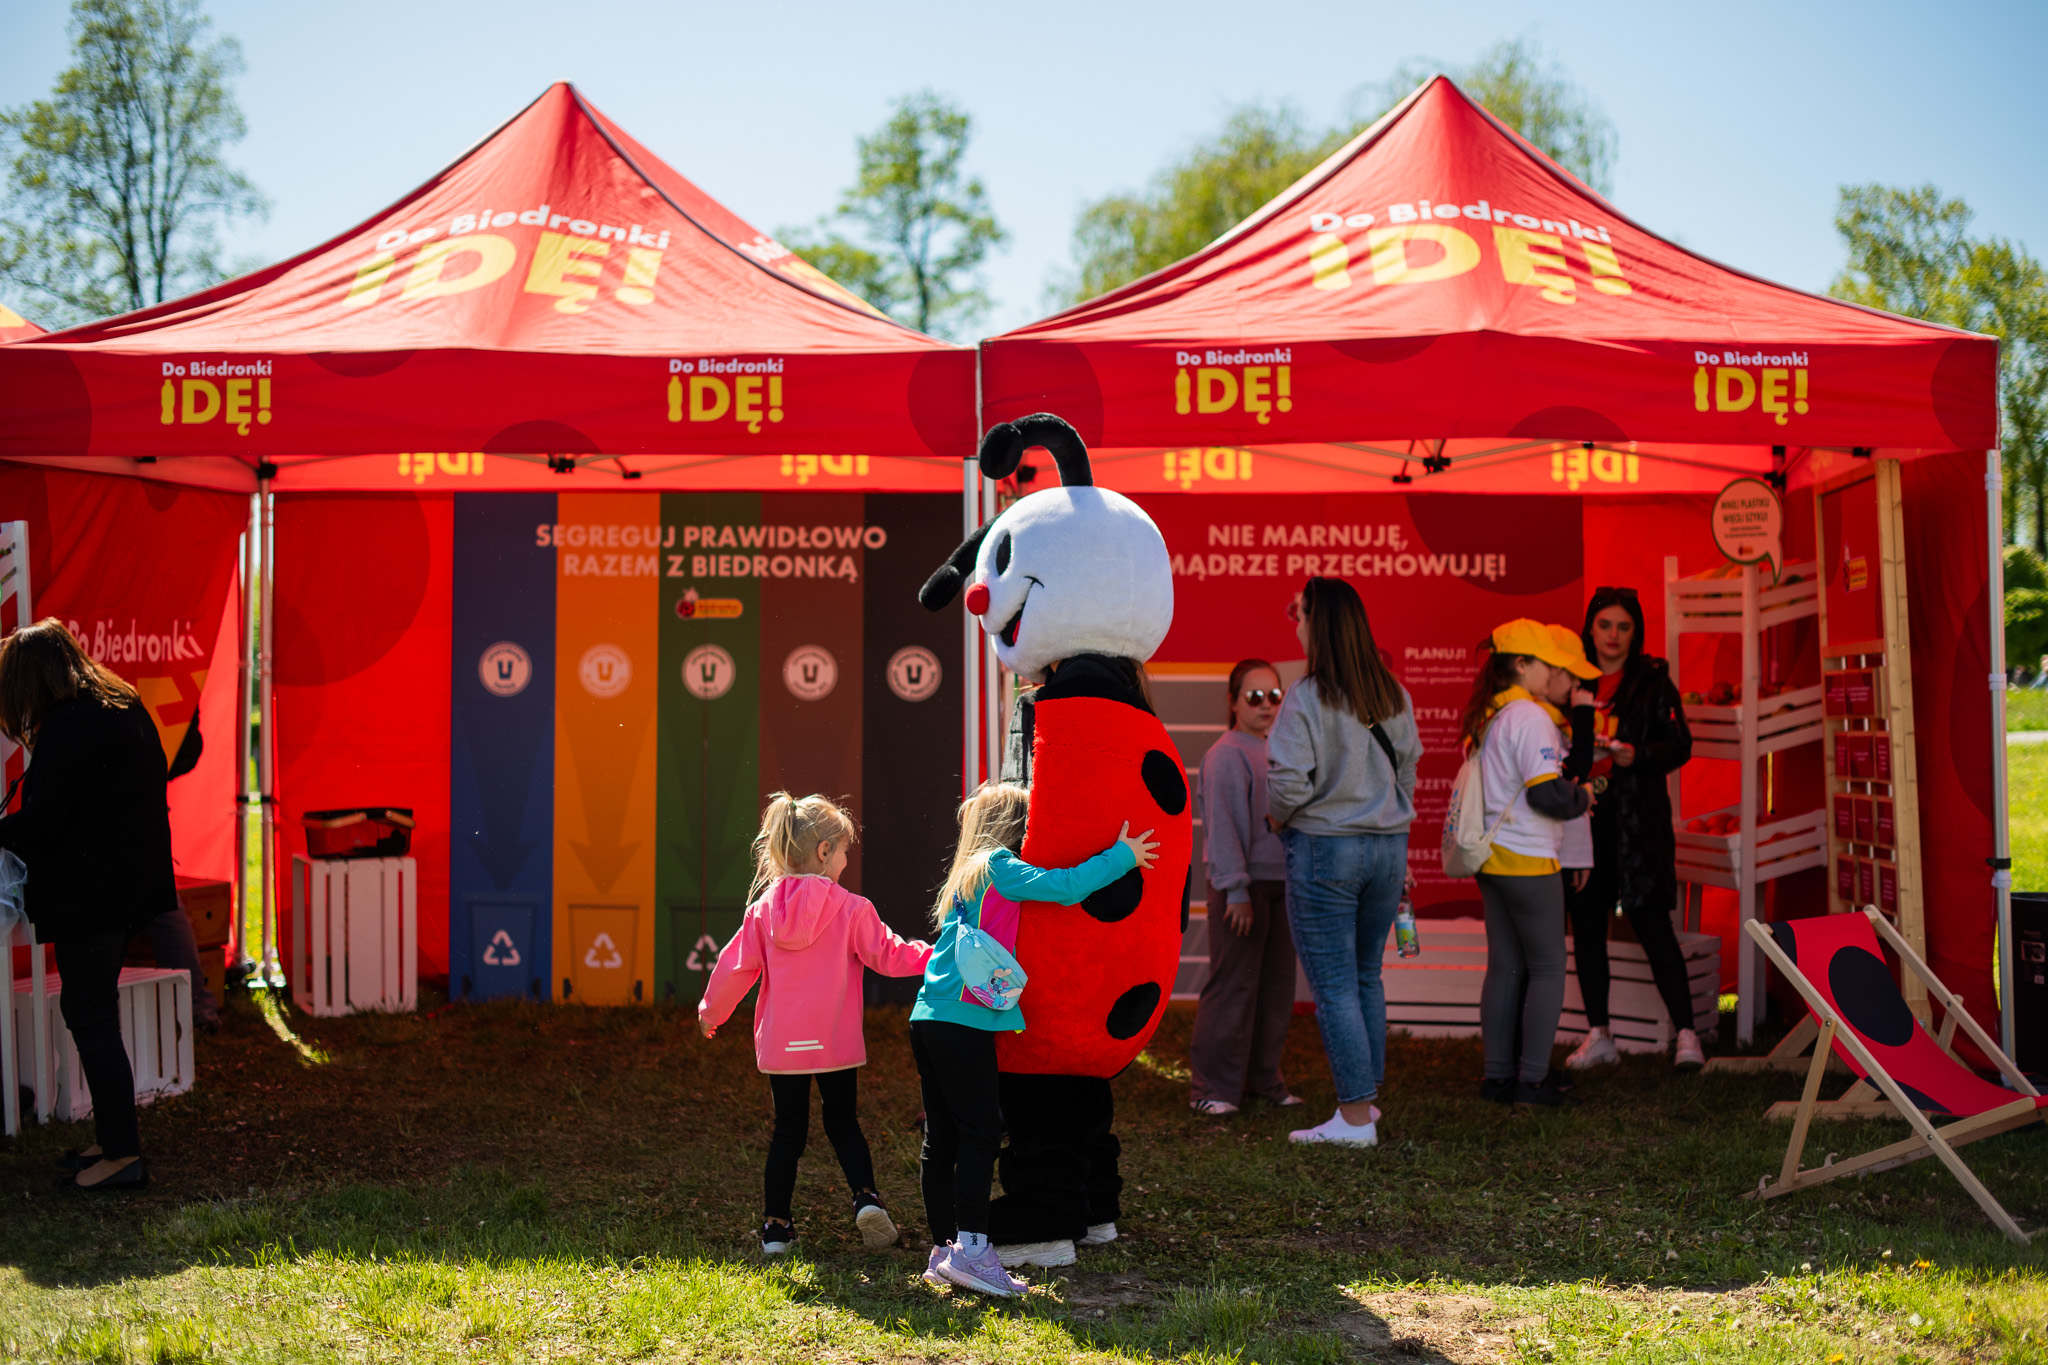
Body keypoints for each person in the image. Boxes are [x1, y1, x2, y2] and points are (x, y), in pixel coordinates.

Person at [911, 782, 1158, 1297]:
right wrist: (1123, 856)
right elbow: (1065, 886)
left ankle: (944, 1250)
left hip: (928, 1016)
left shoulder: (964, 876)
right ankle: (972, 1252)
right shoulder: (999, 866)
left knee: (942, 1140)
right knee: (979, 1135)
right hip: (964, 1020)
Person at [698, 792, 932, 1256]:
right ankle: (866, 1199)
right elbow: (889, 955)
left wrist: (711, 1013)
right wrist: (936, 957)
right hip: (833, 1043)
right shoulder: (853, 908)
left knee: (788, 1132)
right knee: (843, 1123)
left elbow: (735, 968)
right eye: (844, 850)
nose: (845, 859)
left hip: (783, 1047)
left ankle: (776, 1228)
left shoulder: (762, 911)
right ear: (825, 852)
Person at [0, 619, 176, 1192]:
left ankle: (122, 1154)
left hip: (94, 896)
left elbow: (44, 821)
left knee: (91, 1013)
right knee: (89, 1009)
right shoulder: (119, 705)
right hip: (126, 890)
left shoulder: (71, 723)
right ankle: (112, 1140)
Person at [1268, 578, 1422, 1149]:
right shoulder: (1392, 693)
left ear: (1320, 622)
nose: (1296, 621)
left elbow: (1287, 782)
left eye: (1300, 612)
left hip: (1326, 847)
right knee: (1363, 975)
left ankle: (1355, 1118)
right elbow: (1408, 770)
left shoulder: (1307, 696)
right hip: (1387, 848)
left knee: (1335, 985)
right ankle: (1366, 1101)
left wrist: (1278, 819)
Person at [1561, 586, 1701, 1072]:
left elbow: (1680, 744)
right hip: (1584, 819)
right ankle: (1599, 1034)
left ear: (1636, 631)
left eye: (1624, 626)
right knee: (1586, 925)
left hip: (1639, 823)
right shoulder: (1572, 676)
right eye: (1605, 625)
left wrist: (1636, 755)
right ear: (1590, 628)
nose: (1613, 635)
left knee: (1652, 923)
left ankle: (1687, 1035)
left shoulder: (1653, 680)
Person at [1461, 619, 1598, 1108]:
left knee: (1504, 968)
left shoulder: (1491, 713)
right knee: (1547, 969)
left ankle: (1498, 1078)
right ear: (1521, 664)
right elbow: (1546, 794)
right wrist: (1583, 797)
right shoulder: (1530, 716)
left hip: (1492, 859)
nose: (1555, 676)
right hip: (1528, 857)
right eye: (1548, 665)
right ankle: (1533, 1082)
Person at [1188, 658, 1301, 1117]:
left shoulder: (1281, 750)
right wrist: (1236, 891)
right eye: (1254, 696)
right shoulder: (1226, 754)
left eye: (1274, 695)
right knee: (1234, 985)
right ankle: (1211, 1089)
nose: (1266, 704)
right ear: (1233, 702)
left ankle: (1264, 1081)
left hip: (1282, 884)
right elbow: (1222, 829)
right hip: (1243, 889)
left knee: (1276, 988)